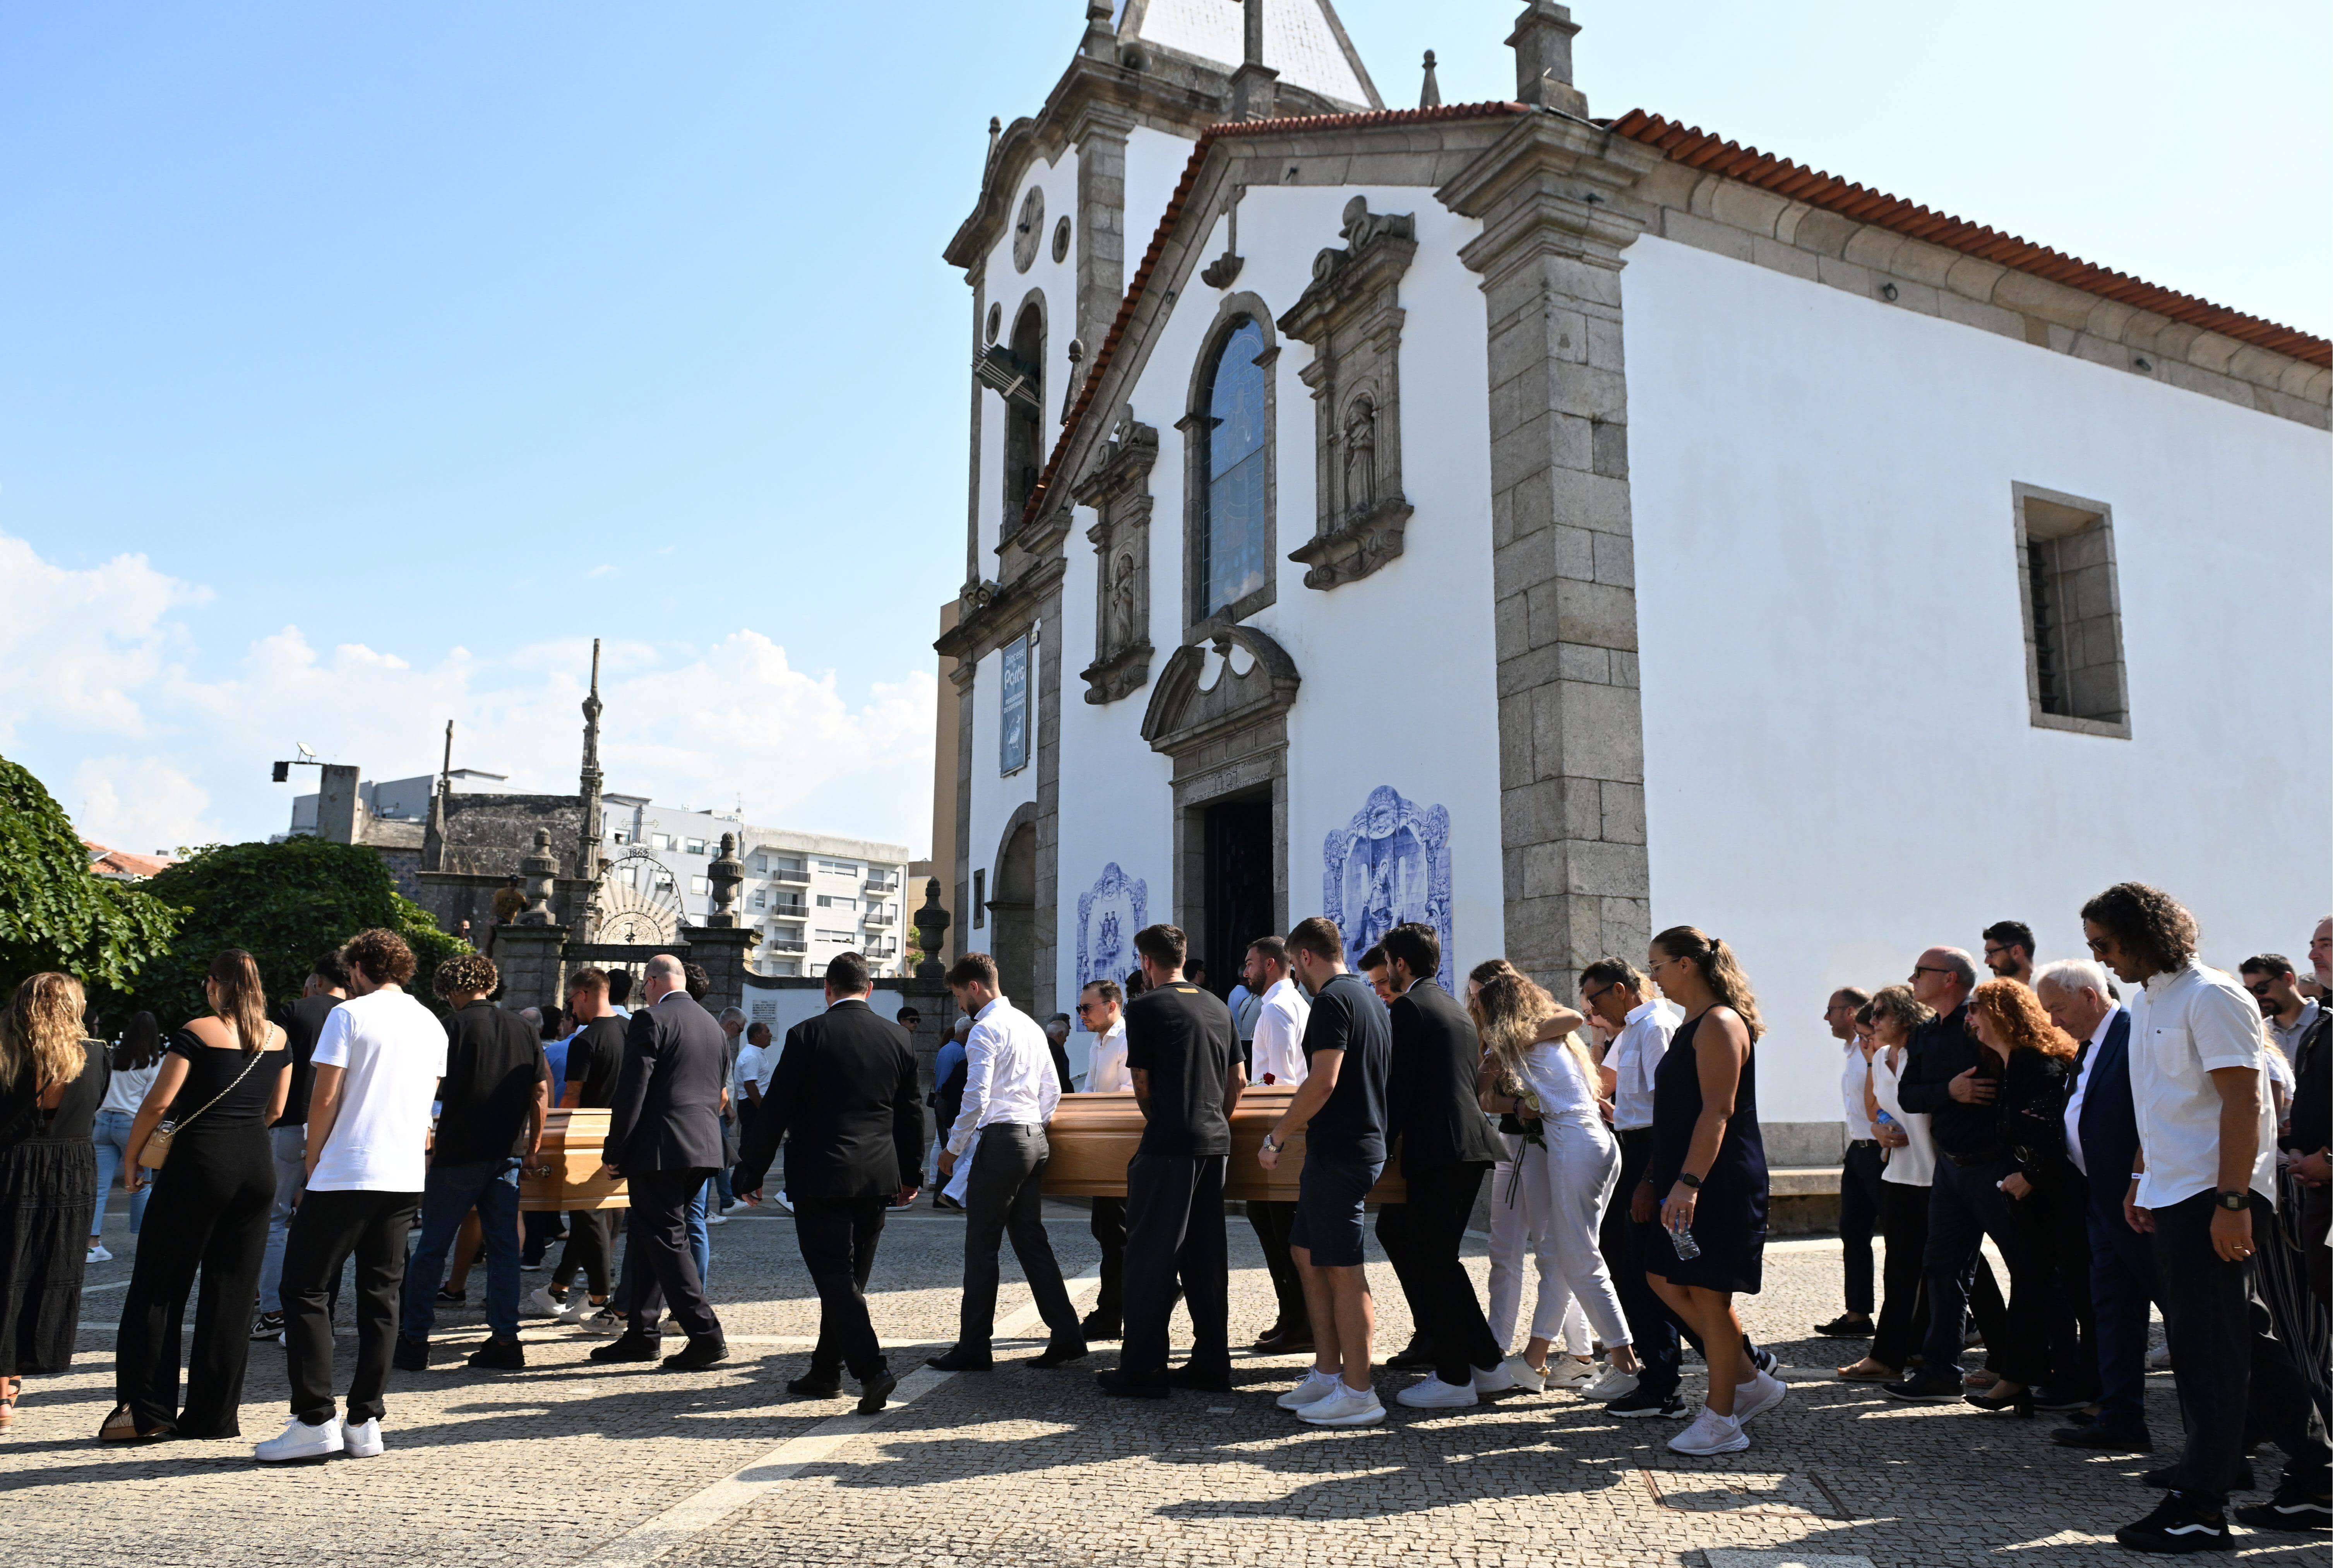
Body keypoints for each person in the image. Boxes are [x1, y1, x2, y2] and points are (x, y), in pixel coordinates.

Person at [2083, 883, 2331, 1550]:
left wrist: (2231, 1203)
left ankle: (2199, 1503)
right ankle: (2316, 1478)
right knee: (2245, 1338)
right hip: (2175, 1192)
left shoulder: (2211, 995)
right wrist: (2142, 1176)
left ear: (2142, 935)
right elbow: (2161, 1103)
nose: (2100, 958)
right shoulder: (2148, 1000)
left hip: (2214, 1198)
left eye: (2104, 945)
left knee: (2209, 1353)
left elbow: (2242, 1103)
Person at [255, 930, 442, 1462]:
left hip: (348, 1169)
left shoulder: (349, 1015)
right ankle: (365, 1420)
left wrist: (313, 1161)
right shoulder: (431, 1023)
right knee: (381, 1297)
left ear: (359, 967)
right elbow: (425, 1104)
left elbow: (325, 1096)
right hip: (403, 1174)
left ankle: (315, 1416)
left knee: (305, 1288)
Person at [112, 951, 290, 1443]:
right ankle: (213, 1417)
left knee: (158, 1285)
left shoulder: (199, 1029)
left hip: (199, 1163)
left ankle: (145, 1414)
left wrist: (134, 1157)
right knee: (232, 1294)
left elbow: (161, 1100)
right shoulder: (277, 1037)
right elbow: (276, 1107)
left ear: (217, 984)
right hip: (256, 1166)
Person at [735, 952, 922, 1412]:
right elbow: (911, 1113)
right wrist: (912, 1173)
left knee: (835, 1278)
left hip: (820, 1173)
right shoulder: (898, 1036)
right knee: (849, 1278)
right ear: (870, 988)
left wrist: (750, 1170)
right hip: (878, 1174)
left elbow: (775, 1108)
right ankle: (825, 1369)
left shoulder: (807, 1035)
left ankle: (871, 1368)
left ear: (828, 988)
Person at [1643, 926, 1782, 1457]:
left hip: (1717, 1179)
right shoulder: (1691, 1025)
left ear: (1685, 965)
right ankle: (1749, 1380)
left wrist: (1688, 1183)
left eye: (1656, 966)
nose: (1652, 977)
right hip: (1690, 1175)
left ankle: (1722, 1419)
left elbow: (1718, 1111)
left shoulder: (1721, 1023)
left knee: (1708, 1293)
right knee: (1661, 1276)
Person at [1473, 966, 1640, 1407]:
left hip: (1576, 1141)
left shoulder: (1519, 1036)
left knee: (1580, 1257)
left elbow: (1481, 1084)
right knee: (1571, 1255)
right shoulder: (1537, 1037)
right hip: (1592, 1140)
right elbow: (1484, 1092)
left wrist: (1493, 1047)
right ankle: (1541, 1357)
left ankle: (1625, 1366)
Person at [1097, 924, 1245, 1398]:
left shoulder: (1145, 1007)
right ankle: (1210, 1362)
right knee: (1206, 1255)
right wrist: (1213, 1121)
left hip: (1168, 1142)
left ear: (1145, 961)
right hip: (1214, 1142)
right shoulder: (1219, 1006)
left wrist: (1164, 1119)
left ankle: (1143, 1368)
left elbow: (1140, 1081)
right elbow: (1237, 1079)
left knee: (1148, 1255)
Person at [1372, 924, 1512, 1409]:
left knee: (1432, 1258)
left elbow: (1399, 1087)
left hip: (1440, 1148)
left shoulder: (1410, 1006)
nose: (1386, 971)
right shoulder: (1453, 1006)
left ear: (1401, 964)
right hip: (1463, 1146)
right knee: (1416, 1244)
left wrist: (1377, 1147)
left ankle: (1454, 1376)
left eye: (1388, 962)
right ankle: (1486, 1363)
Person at [1885, 946, 2032, 1404]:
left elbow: (2016, 1083)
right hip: (1950, 1167)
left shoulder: (1983, 1024)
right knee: (1942, 1268)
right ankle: (1941, 1371)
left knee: (2028, 1267)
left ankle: (2036, 1367)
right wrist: (1950, 1090)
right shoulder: (1926, 1033)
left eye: (1919, 971)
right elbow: (1909, 1095)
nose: (1911, 979)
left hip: (1993, 1164)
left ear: (1949, 978)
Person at [1262, 916, 1391, 1429]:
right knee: (1306, 1251)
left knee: (1342, 1267)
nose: (1297, 973)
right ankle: (1327, 1371)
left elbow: (1322, 1082)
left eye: (1295, 966)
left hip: (1343, 1150)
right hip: (1343, 1148)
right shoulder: (1367, 998)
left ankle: (1360, 1391)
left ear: (1306, 958)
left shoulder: (1333, 1001)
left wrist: (1277, 1136)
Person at [928, 952, 1083, 1371]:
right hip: (1034, 1138)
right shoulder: (1029, 1025)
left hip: (1001, 1142)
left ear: (974, 987)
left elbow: (974, 1098)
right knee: (1031, 1242)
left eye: (960, 995)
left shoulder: (985, 1030)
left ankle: (974, 1346)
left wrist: (953, 1148)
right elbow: (1052, 1089)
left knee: (982, 1246)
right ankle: (1067, 1333)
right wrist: (1033, 1126)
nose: (961, 1004)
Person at [395, 955, 548, 1373]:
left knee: (432, 1248)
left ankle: (414, 1339)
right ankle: (505, 1339)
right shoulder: (522, 1027)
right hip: (508, 1154)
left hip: (458, 1153)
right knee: (503, 1251)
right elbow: (539, 1090)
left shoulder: (452, 1027)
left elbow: (427, 1088)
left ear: (453, 988)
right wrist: (533, 1145)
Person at [2033, 957, 2156, 1454]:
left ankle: (2233, 1433)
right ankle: (2121, 1416)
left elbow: (2150, 1114)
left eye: (2058, 1008)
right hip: (2099, 1201)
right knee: (2113, 1312)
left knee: (2179, 1315)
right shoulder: (2089, 1045)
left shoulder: (2131, 1034)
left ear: (2090, 995)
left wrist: (2136, 1180)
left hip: (2137, 1201)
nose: (2053, 1021)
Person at [586, 953, 729, 1373]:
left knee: (665, 1237)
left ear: (650, 982)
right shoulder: (713, 1025)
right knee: (653, 1235)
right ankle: (642, 1333)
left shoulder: (652, 1019)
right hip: (703, 1146)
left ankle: (706, 1335)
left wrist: (615, 1150)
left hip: (662, 1147)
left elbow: (633, 1090)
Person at [1961, 977, 2085, 1416]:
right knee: (2031, 1285)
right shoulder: (2010, 1064)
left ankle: (2079, 1383)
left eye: (1976, 1007)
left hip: (2058, 1195)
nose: (1969, 1017)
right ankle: (2018, 1379)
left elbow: (2060, 1132)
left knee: (2069, 1288)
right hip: (2036, 1195)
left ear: (2001, 1013)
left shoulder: (2035, 1064)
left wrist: (2030, 1174)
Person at [1579, 956, 1694, 1417]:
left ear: (1622, 989)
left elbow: (1669, 1108)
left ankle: (1672, 1380)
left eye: (1595, 997)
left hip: (1651, 1154)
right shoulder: (1630, 1030)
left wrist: (1649, 1178)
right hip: (1633, 1146)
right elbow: (1609, 1088)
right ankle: (1660, 1376)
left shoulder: (1655, 1026)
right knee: (1630, 1265)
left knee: (1649, 1270)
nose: (1591, 1007)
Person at [1473, 959, 1593, 1395]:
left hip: (1547, 1146)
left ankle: (1579, 1354)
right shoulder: (1491, 1038)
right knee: (1504, 1249)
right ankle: (1499, 1345)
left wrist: (1509, 1040)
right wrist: (1515, 1106)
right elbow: (1482, 1093)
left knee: (1552, 1250)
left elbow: (1573, 1016)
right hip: (1512, 1143)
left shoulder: (1538, 1025)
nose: (1475, 1003)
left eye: (1480, 995)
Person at [0, 974, 107, 1431]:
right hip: (71, 1168)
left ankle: (2, 1382)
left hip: (11, 1163)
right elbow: (95, 1102)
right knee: (48, 1268)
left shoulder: (7, 1050)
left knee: (6, 1268)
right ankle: (18, 1368)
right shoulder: (97, 1052)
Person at [253, 954, 348, 1342]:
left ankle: (275, 1309)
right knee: (333, 1221)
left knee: (274, 1217)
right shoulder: (361, 1013)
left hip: (292, 1120)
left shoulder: (298, 1009)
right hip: (343, 1126)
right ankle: (322, 1306)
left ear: (315, 981)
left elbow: (275, 1060)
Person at [538, 968, 625, 1327]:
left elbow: (572, 1095)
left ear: (586, 994)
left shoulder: (585, 1042)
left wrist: (552, 1137)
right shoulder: (631, 1031)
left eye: (572, 1000)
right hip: (622, 1132)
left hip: (586, 1136)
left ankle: (600, 1296)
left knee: (586, 1217)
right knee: (606, 1214)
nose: (571, 1010)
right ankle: (559, 1288)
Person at [1242, 936, 1312, 1352]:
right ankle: (1291, 1315)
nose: (1245, 971)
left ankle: (1299, 1319)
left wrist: (1256, 1083)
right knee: (1272, 1223)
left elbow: (1282, 1077)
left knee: (1278, 1227)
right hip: (1283, 1127)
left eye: (1249, 963)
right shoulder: (1291, 1003)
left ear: (1270, 964)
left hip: (1281, 1131)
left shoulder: (1276, 1008)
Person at [1816, 987, 1881, 1340]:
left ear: (1853, 1012)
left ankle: (1956, 1319)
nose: (1827, 1018)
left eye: (1832, 1009)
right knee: (1853, 1232)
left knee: (1910, 1237)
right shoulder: (1853, 1050)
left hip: (1882, 1152)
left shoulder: (1876, 1048)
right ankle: (1858, 1315)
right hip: (1858, 1151)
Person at [1075, 978, 1131, 1342]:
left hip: (1120, 1150)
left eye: (1087, 1008)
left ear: (1112, 1006)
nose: (1082, 1015)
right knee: (1105, 1231)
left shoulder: (1127, 1039)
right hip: (1101, 1148)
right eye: (1080, 1009)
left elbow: (1129, 1094)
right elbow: (1091, 1092)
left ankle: (1112, 1312)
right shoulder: (1098, 1042)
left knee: (1117, 1235)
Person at [89, 1010, 161, 1264]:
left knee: (98, 1186)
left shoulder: (113, 1055)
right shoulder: (153, 1063)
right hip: (132, 1124)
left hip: (103, 1122)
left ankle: (92, 1244)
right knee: (141, 1185)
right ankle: (146, 1243)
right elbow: (152, 1103)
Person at [929, 1015, 971, 1206]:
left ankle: (945, 1193)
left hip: (943, 1102)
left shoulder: (946, 1049)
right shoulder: (962, 1055)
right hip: (951, 1105)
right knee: (953, 1151)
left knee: (946, 1147)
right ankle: (947, 1195)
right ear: (967, 1033)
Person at [1983, 921, 2038, 986]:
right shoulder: (1995, 994)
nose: (1986, 961)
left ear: (2016, 951)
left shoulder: (2049, 991)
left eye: (1990, 953)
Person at [1043, 1013, 1074, 1095]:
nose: (1070, 1027)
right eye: (1067, 1025)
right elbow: (1059, 1077)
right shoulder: (1055, 1050)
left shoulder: (1044, 1046)